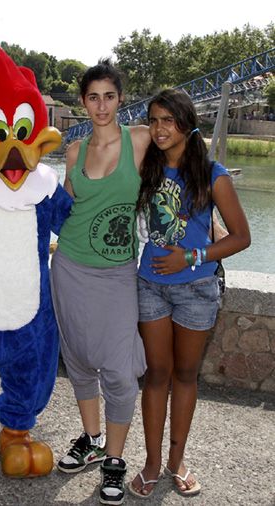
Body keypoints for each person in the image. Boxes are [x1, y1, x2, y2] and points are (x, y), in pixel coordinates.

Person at [129, 89, 250, 498]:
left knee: (184, 374)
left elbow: (241, 237)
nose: (159, 129)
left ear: (187, 124)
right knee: (156, 374)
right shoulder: (145, 167)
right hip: (150, 286)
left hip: (196, 288)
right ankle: (150, 462)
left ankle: (176, 461)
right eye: (154, 120)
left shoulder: (213, 174)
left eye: (168, 120)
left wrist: (191, 257)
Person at [50, 59, 151, 505]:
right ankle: (91, 440)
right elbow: (64, 209)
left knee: (119, 370)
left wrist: (212, 229)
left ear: (121, 98)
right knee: (78, 359)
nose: (102, 105)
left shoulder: (142, 139)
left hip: (117, 273)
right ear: (83, 102)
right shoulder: (74, 152)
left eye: (110, 96)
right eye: (93, 97)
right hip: (70, 266)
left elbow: (191, 162)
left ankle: (115, 458)